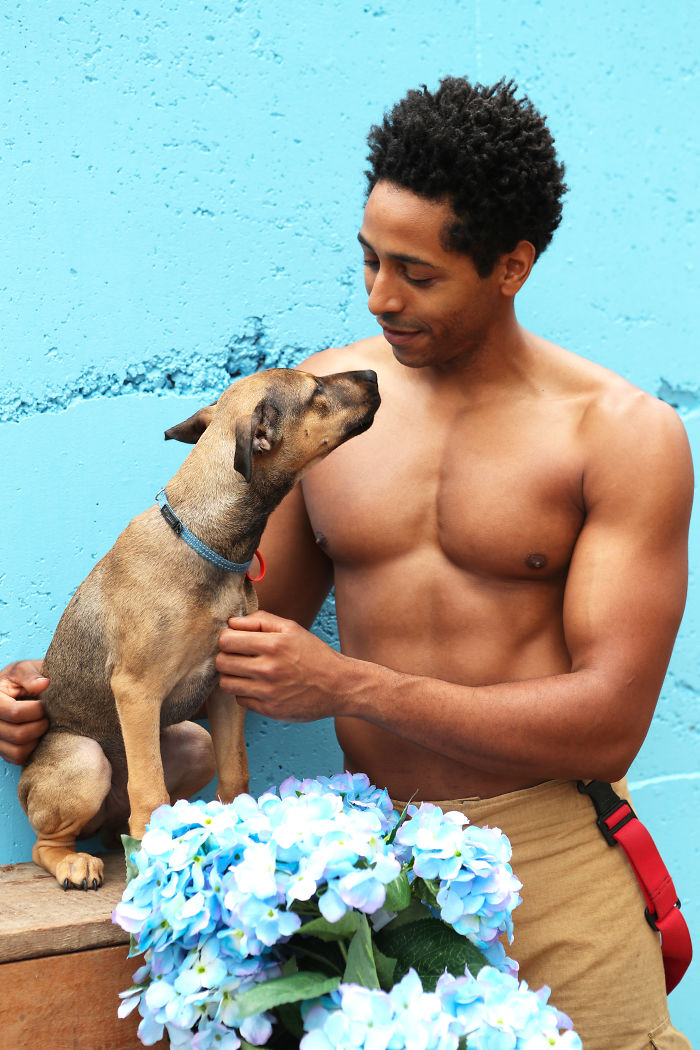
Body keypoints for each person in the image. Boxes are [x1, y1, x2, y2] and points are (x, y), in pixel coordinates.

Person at [1, 78, 692, 1047]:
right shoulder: (320, 411)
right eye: (369, 258)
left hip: (552, 862)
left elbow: (609, 723)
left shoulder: (622, 436)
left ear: (511, 265)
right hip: (359, 877)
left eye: (417, 273)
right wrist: (65, 694)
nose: (380, 296)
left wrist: (351, 685)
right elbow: (226, 629)